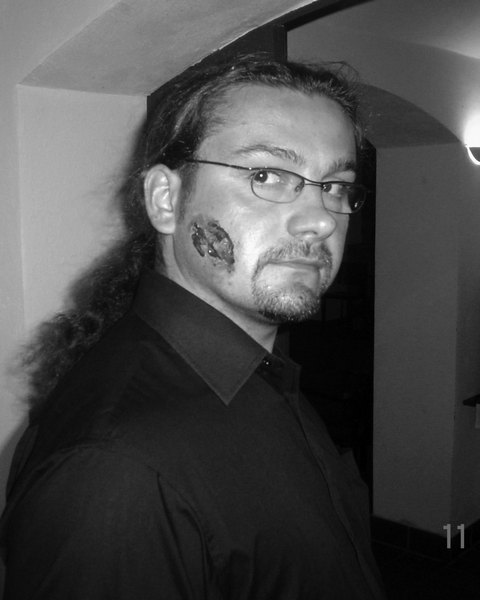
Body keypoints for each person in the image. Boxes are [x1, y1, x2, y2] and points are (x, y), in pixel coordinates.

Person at [0, 53, 385, 599]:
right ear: (166, 199)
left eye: (336, 187)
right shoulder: (115, 470)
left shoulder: (263, 378)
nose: (322, 219)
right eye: (266, 175)